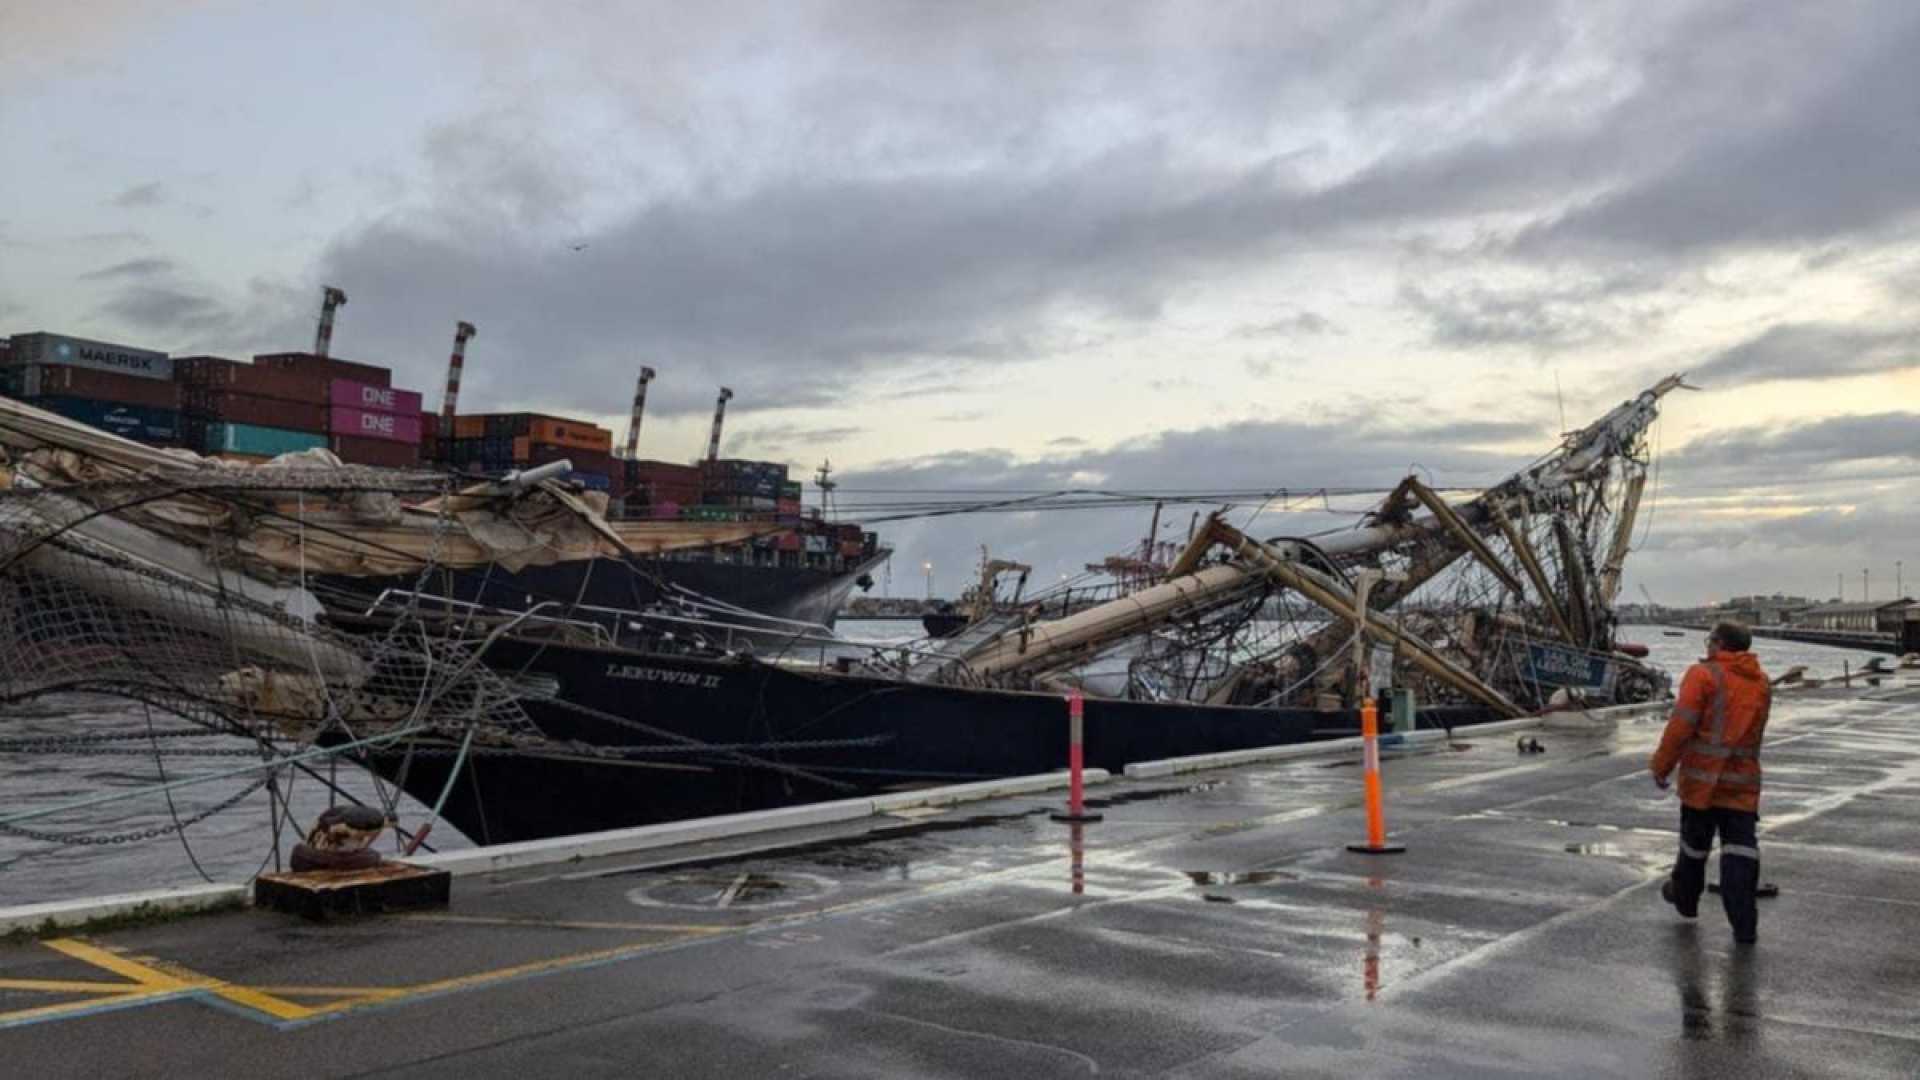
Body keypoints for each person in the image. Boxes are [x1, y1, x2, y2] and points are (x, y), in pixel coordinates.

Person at [1650, 620, 1771, 944]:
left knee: (1693, 850)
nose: (1707, 646)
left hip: (1702, 783)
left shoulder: (1702, 675)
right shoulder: (1761, 683)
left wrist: (1661, 766)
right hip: (1742, 785)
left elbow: (1680, 727)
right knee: (1741, 854)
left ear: (1718, 644)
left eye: (1709, 641)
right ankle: (1744, 926)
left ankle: (1686, 902)